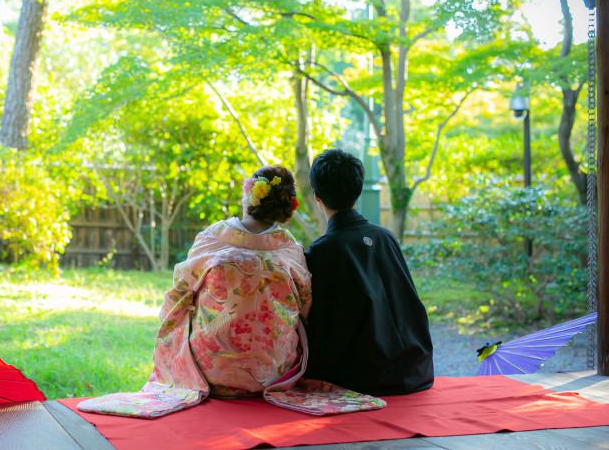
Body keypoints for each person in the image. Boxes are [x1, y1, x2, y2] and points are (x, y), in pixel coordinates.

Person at [77, 165, 386, 418]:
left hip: (211, 371)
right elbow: (306, 308)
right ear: (286, 206)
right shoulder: (291, 250)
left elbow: (179, 294)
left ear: (249, 196)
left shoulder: (213, 237)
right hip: (273, 373)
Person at [303, 149, 434, 396]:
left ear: (316, 195)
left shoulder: (321, 251)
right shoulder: (385, 237)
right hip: (416, 368)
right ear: (358, 190)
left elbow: (325, 327)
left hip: (365, 377)